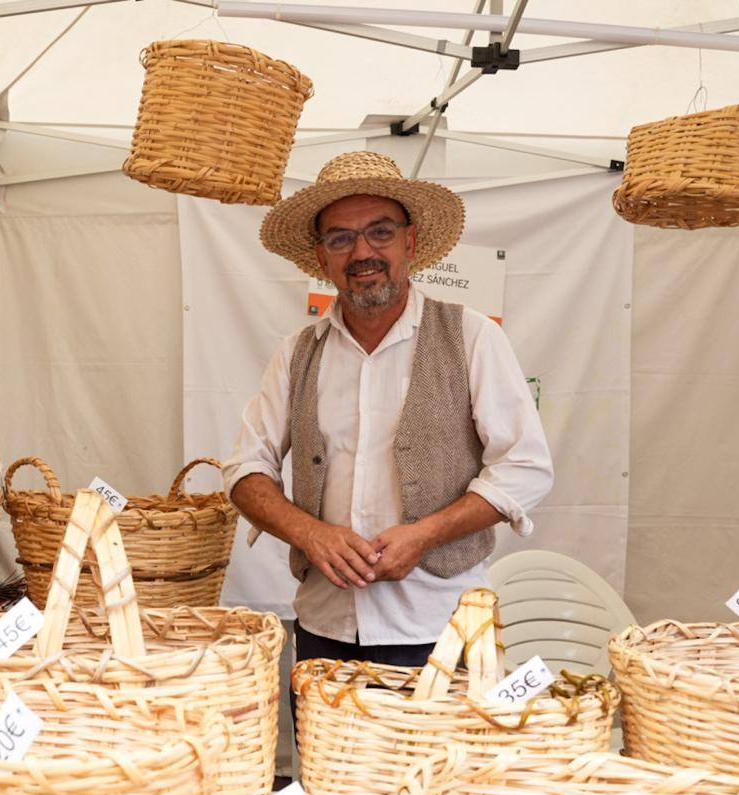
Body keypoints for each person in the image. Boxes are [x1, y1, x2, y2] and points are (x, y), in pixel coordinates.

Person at [223, 150, 554, 673]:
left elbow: (526, 466)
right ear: (322, 257)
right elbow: (245, 471)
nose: (362, 252)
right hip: (324, 627)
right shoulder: (296, 354)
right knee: (323, 734)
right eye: (340, 238)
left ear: (410, 243)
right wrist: (310, 533)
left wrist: (427, 534)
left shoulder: (471, 336)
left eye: (380, 232)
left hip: (443, 628)